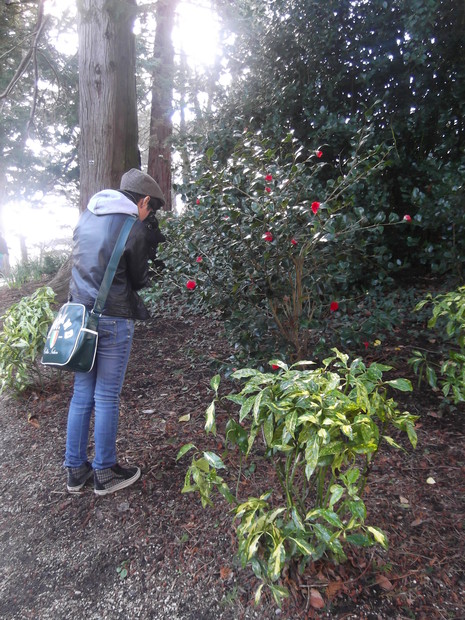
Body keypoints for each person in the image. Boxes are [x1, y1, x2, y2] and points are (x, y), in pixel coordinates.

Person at [64, 168, 165, 496]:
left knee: (82, 393)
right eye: (151, 208)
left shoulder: (87, 217)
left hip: (81, 317)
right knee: (106, 395)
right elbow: (139, 280)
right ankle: (105, 472)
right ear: (144, 201)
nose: (149, 214)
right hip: (113, 318)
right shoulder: (133, 226)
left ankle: (75, 470)